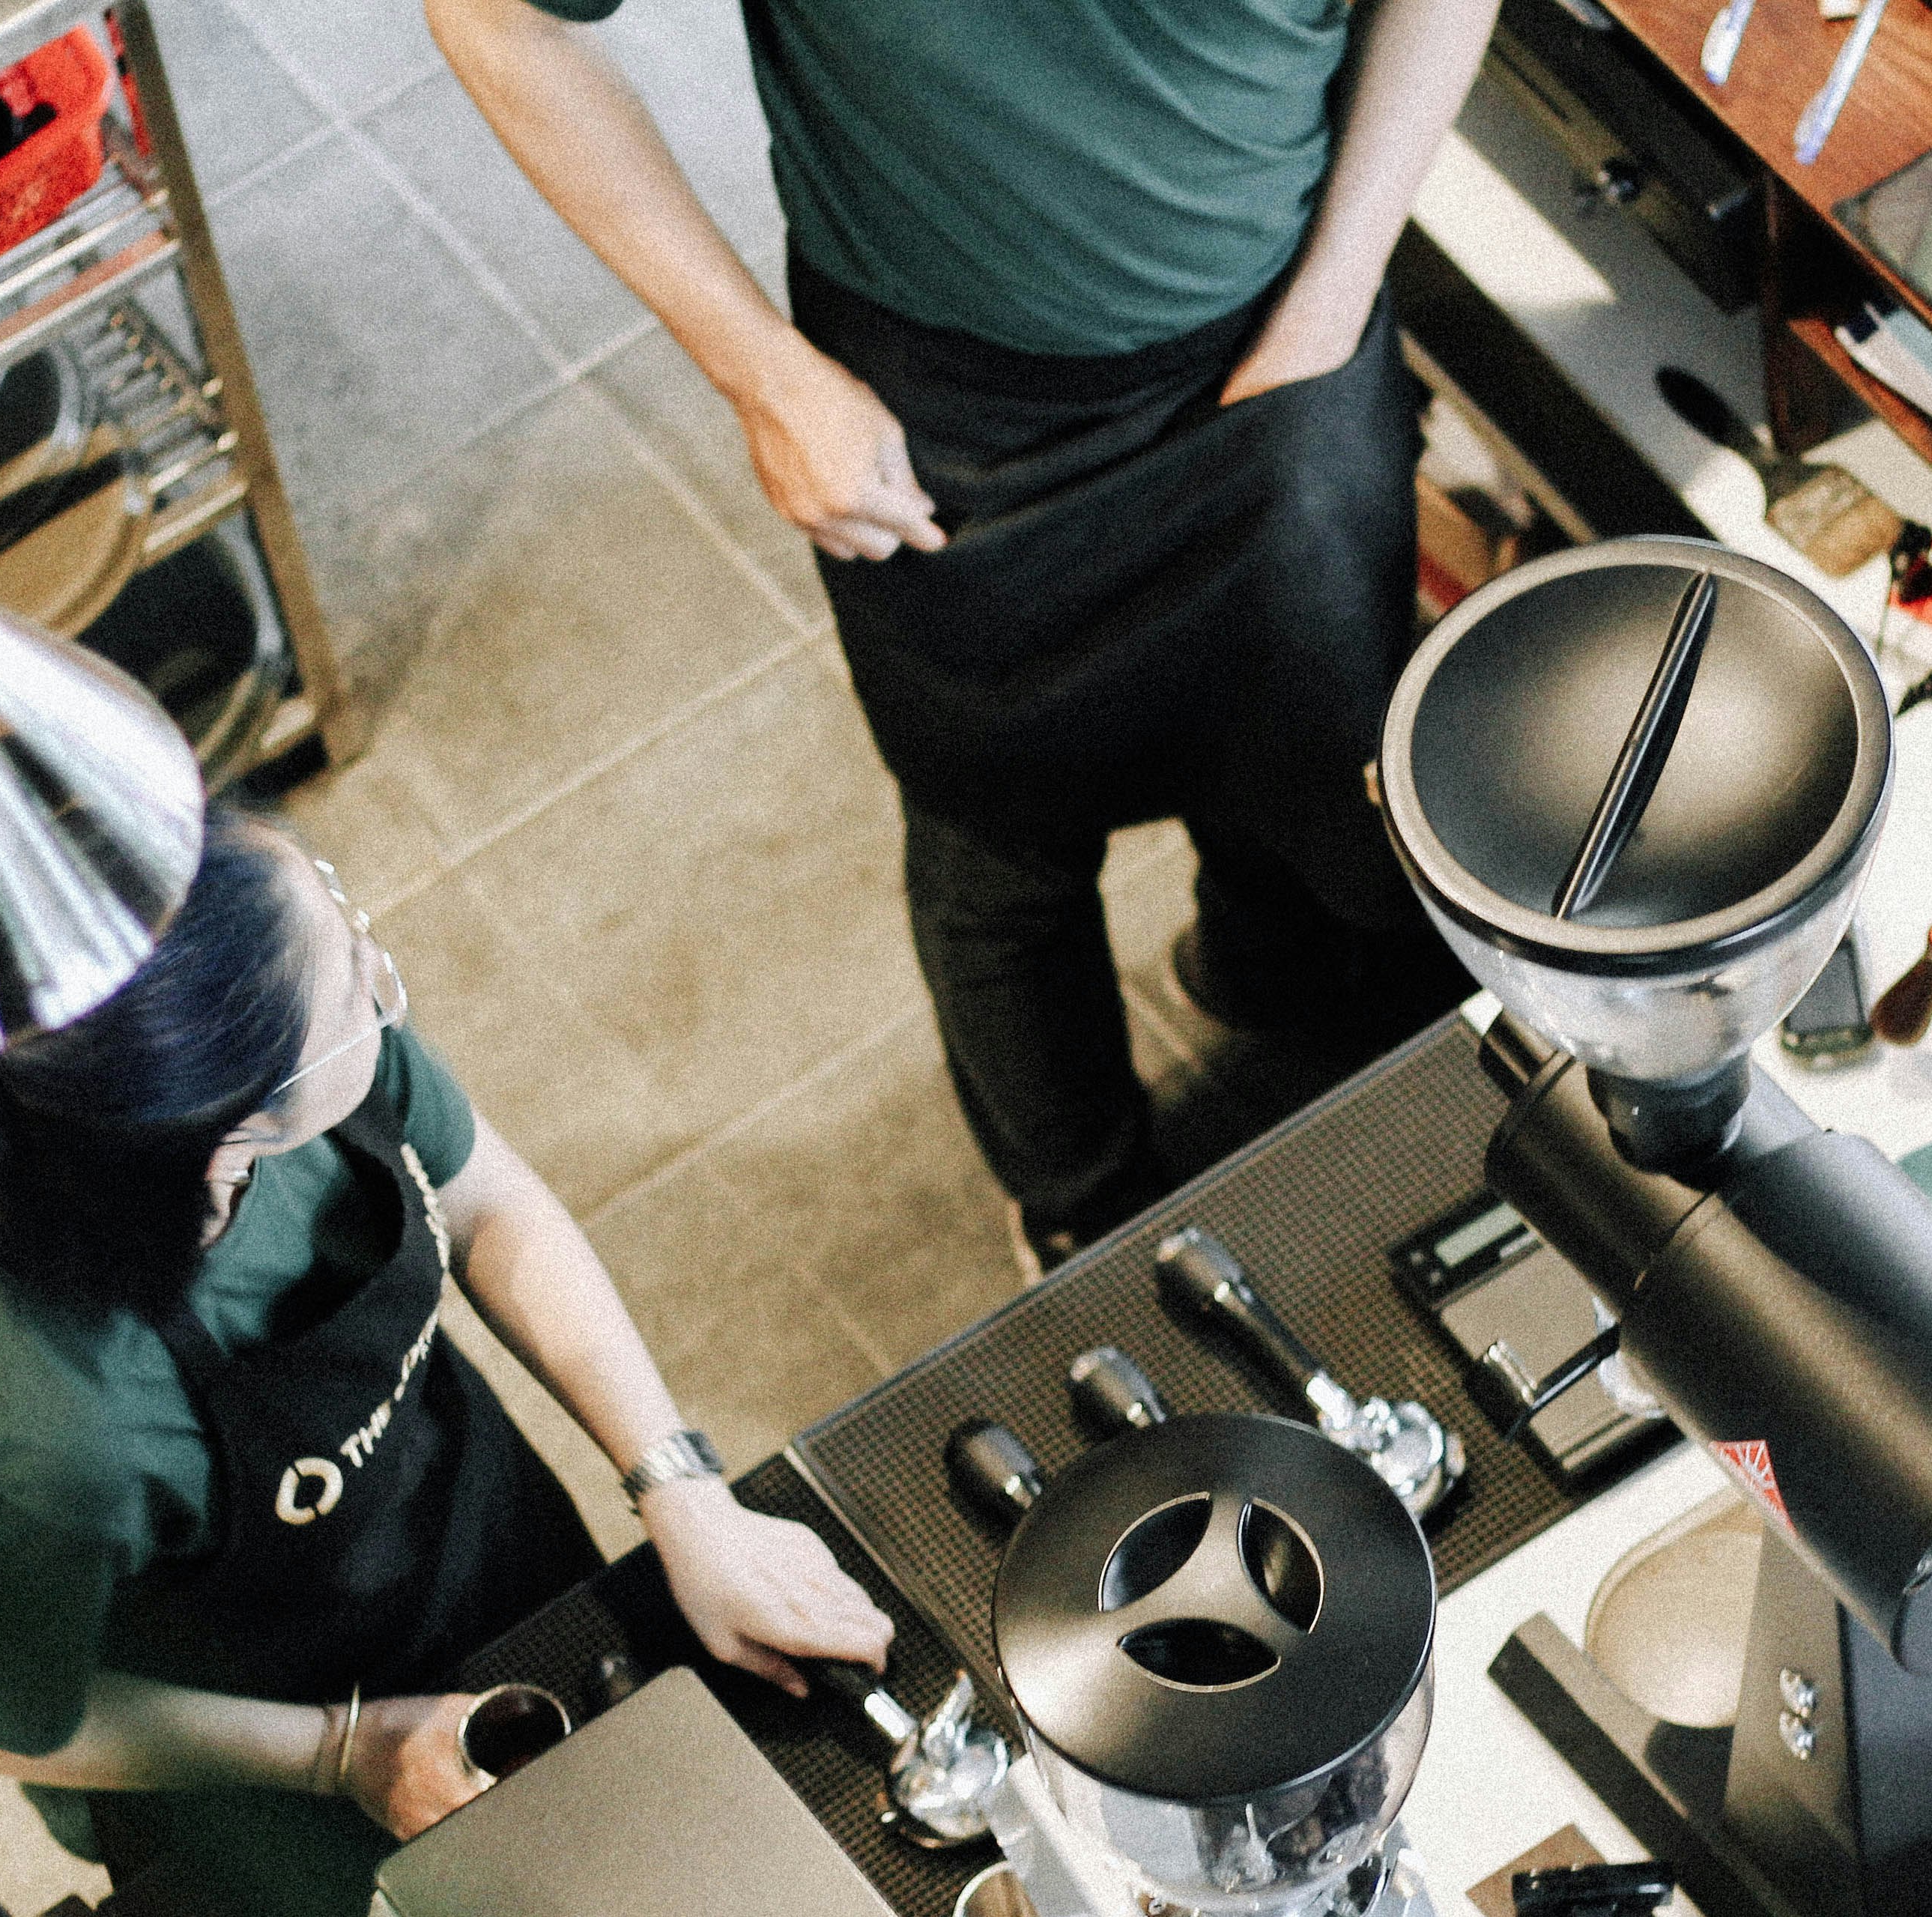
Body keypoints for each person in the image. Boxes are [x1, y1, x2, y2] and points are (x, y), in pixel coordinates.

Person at [429, 0, 1501, 1267]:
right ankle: (1083, 1202)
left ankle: (1270, 975)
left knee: (1315, 751)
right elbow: (500, 20)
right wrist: (759, 372)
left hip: (1283, 343)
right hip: (949, 412)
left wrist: (1337, 286)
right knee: (997, 847)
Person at [0, 809, 892, 1895]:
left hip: (488, 1549)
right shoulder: (48, 1416)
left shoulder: (298, 1065)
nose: (371, 955)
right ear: (236, 1127)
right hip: (264, 1759)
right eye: (349, 966)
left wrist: (682, 1494)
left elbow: (490, 1204)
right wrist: (342, 1752)